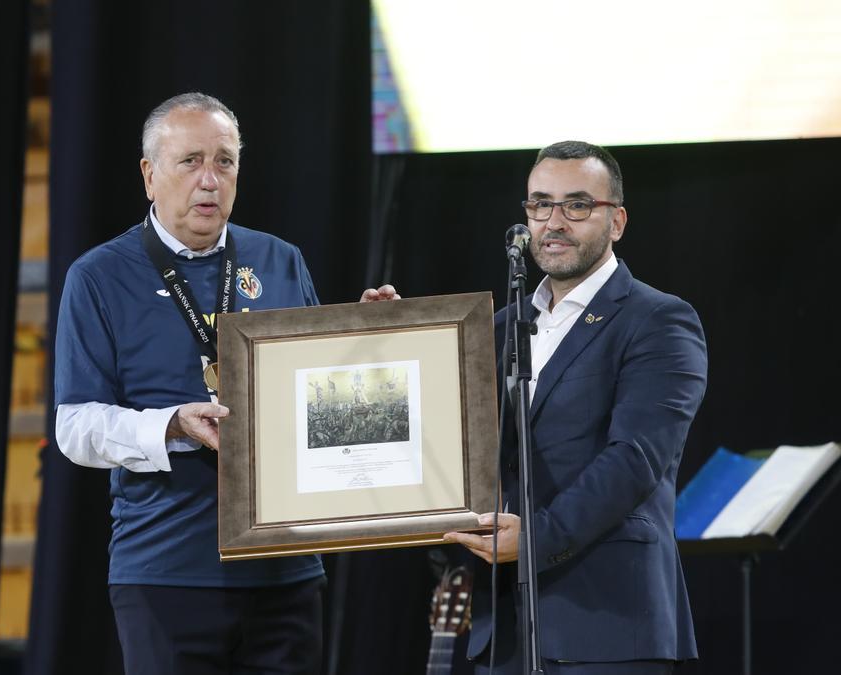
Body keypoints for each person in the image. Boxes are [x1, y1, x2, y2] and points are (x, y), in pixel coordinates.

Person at [53, 92, 398, 675]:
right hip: (166, 570)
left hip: (284, 567)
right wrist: (169, 425)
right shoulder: (98, 277)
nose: (210, 180)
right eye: (190, 161)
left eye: (225, 161)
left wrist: (367, 340)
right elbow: (74, 427)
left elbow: (317, 398)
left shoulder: (280, 259)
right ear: (149, 174)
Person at [444, 141, 708, 674]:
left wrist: (535, 541)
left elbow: (634, 460)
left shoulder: (659, 320)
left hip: (609, 625)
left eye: (578, 205)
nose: (554, 221)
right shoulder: (497, 331)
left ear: (617, 222)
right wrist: (389, 345)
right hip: (506, 631)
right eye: (540, 204)